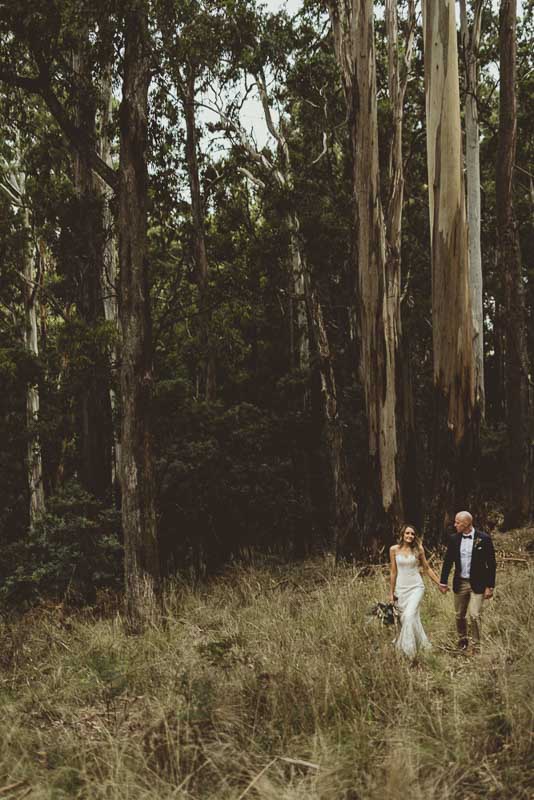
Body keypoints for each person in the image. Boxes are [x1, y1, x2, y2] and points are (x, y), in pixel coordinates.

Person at [439, 510, 496, 650]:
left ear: (466, 524)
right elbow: (448, 562)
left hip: (478, 583)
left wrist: (490, 586)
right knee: (459, 615)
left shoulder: (484, 539)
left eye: (457, 522)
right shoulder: (454, 539)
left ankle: (476, 644)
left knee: (475, 614)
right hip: (461, 582)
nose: (455, 524)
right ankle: (462, 640)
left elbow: (491, 563)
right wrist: (443, 582)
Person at [389, 524, 442, 659]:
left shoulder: (418, 549)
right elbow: (393, 572)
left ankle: (408, 652)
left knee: (408, 616)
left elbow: (426, 568)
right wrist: (391, 592)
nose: (410, 536)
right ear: (402, 534)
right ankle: (421, 645)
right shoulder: (393, 550)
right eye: (407, 533)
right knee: (410, 619)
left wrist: (439, 583)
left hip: (416, 587)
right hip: (401, 589)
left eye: (412, 534)